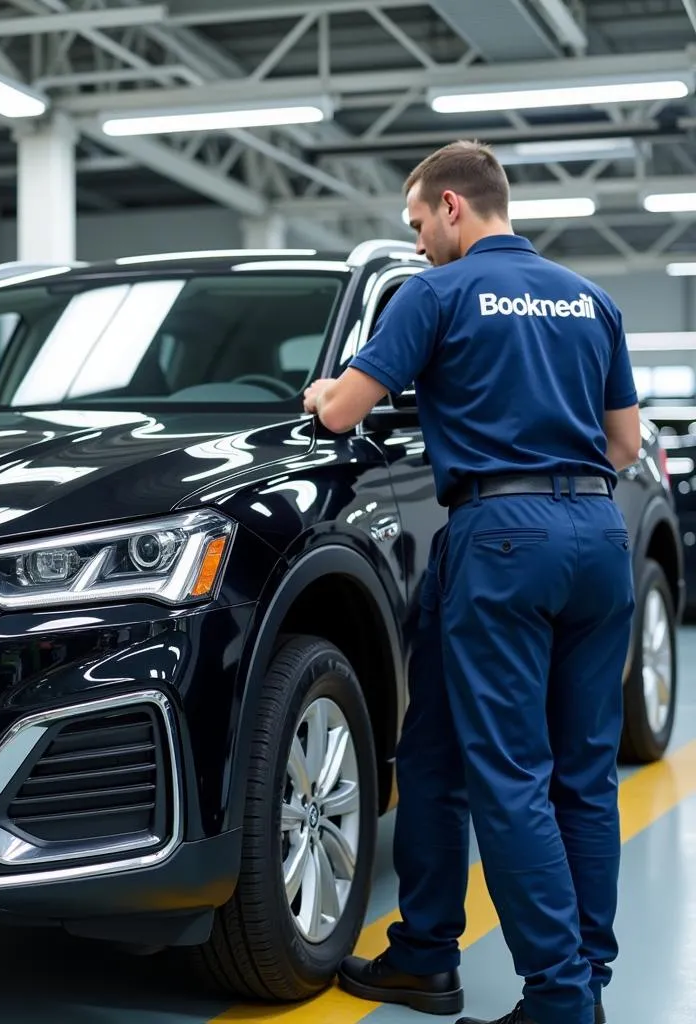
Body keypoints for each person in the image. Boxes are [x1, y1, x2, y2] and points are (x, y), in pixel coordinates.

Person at [304, 140, 639, 1024]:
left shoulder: (437, 294)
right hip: (596, 534)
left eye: (417, 223)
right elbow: (626, 445)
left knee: (511, 773)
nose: (415, 243)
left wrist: (316, 394)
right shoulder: (590, 298)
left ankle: (562, 1000)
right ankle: (434, 954)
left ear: (453, 206)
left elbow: (344, 411)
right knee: (553, 768)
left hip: (499, 540)